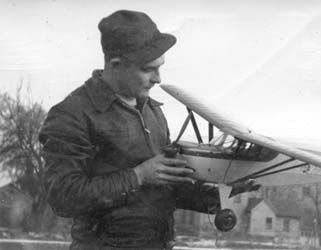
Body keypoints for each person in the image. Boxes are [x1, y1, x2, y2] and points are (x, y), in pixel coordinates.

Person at [39, 10, 220, 250]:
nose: (158, 78)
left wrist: (218, 195)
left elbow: (164, 188)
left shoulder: (153, 111)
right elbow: (63, 197)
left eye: (160, 67)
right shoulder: (72, 115)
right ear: (115, 64)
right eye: (148, 69)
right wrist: (138, 176)